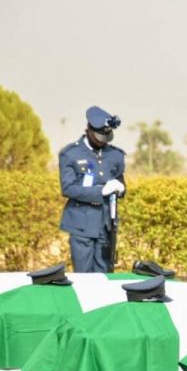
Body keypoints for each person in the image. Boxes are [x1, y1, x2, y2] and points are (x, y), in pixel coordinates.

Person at [59, 106, 125, 273]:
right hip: (82, 226)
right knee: (83, 278)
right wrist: (100, 192)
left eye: (106, 136)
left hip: (106, 225)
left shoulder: (115, 155)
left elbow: (121, 184)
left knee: (104, 279)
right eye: (99, 136)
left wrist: (121, 189)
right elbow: (68, 188)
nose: (103, 141)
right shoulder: (70, 154)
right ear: (88, 130)